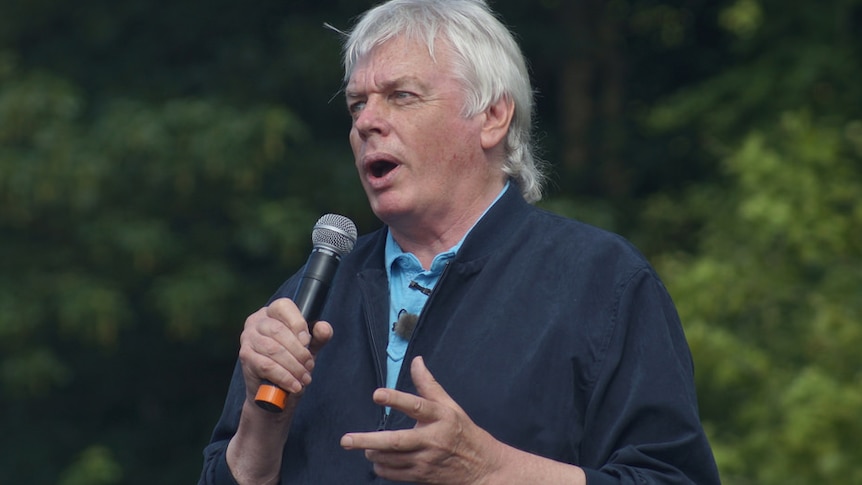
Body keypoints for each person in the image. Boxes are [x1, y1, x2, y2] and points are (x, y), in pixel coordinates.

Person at [199, 0, 721, 483]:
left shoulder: (601, 282)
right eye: (357, 104)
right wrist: (261, 421)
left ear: (493, 116)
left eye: (401, 96)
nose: (367, 122)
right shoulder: (306, 298)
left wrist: (491, 469)